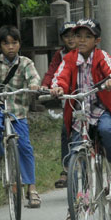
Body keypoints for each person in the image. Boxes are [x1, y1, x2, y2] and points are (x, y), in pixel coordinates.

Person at [50, 18, 111, 189]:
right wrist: (58, 88)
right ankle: (80, 202)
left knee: (106, 129)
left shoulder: (101, 56)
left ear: (97, 41)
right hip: (80, 111)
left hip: (101, 108)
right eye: (79, 36)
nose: (82, 40)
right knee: (77, 149)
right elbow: (60, 76)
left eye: (87, 37)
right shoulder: (70, 58)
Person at [0, 25, 42, 208]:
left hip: (18, 110)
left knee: (25, 146)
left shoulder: (26, 62)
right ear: (0, 46)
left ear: (19, 44)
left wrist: (35, 86)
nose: (10, 47)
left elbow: (34, 78)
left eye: (14, 43)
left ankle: (32, 188)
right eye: (6, 43)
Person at [44, 21, 77, 189]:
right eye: (67, 36)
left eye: (74, 35)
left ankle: (102, 167)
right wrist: (45, 86)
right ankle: (66, 169)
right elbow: (52, 72)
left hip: (89, 97)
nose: (71, 39)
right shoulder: (60, 55)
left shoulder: (90, 51)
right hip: (68, 98)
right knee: (66, 130)